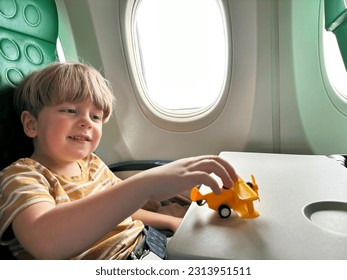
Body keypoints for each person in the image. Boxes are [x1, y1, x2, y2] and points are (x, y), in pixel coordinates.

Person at [0, 62, 238, 260]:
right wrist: (145, 185)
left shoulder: (91, 163)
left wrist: (171, 222)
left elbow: (123, 209)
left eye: (95, 116)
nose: (86, 122)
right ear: (31, 124)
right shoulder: (22, 176)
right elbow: (45, 241)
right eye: (71, 110)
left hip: (146, 244)